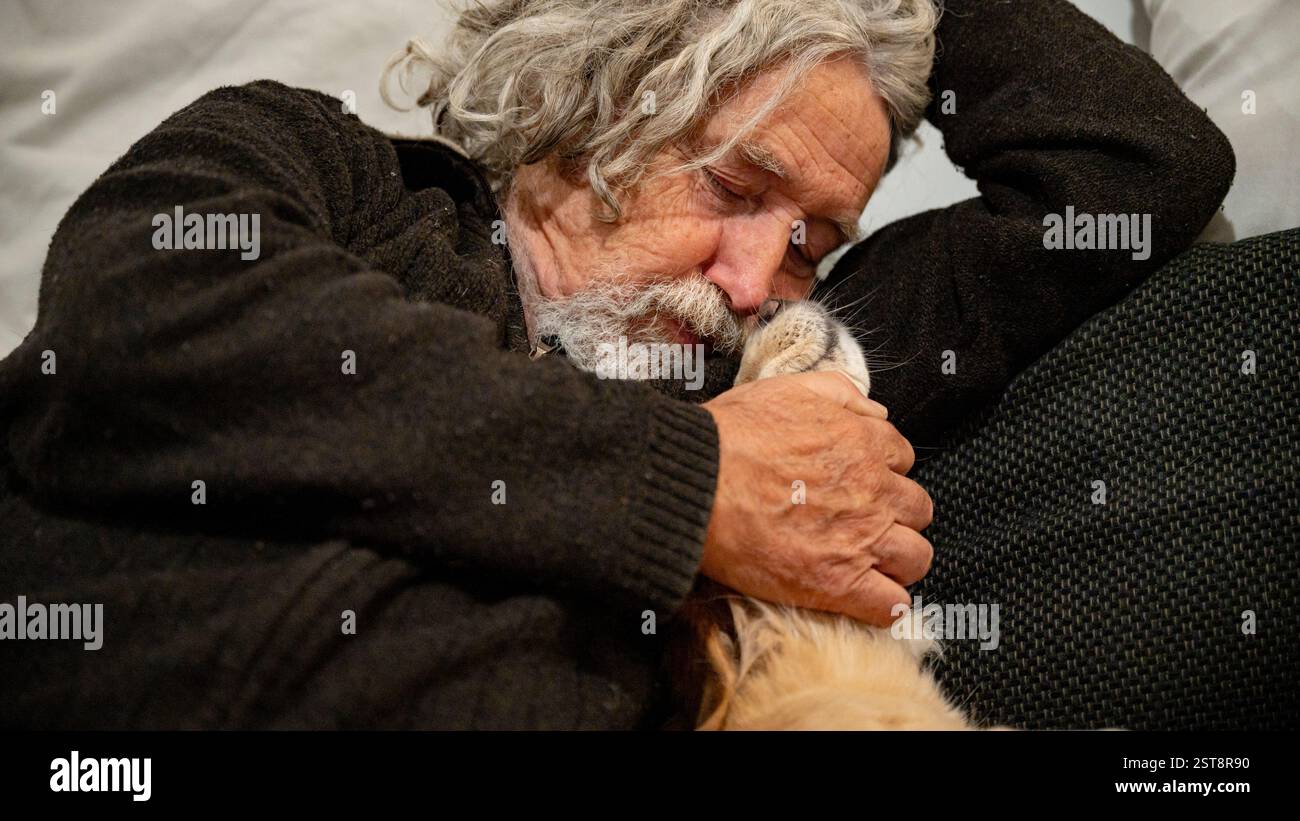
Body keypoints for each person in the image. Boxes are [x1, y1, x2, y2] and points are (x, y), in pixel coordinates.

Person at [0, 0, 1232, 729]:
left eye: (812, 240)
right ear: (591, 97)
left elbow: (1137, 166)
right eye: (733, 185)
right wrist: (690, 487)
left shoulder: (779, 379)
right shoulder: (322, 170)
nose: (753, 279)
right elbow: (137, 319)